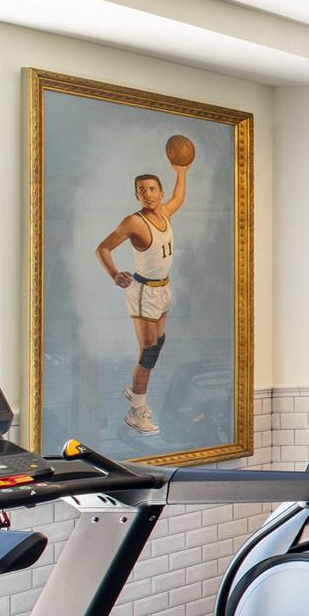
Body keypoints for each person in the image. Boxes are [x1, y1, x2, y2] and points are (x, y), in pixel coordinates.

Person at [94, 157, 191, 435]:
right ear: (136, 194)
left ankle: (136, 391)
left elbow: (179, 196)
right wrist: (114, 274)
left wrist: (181, 171)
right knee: (148, 353)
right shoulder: (133, 222)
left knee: (157, 345)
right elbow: (102, 248)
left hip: (164, 288)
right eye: (141, 189)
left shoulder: (164, 212)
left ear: (160, 193)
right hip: (144, 292)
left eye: (151, 189)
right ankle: (136, 411)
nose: (146, 193)